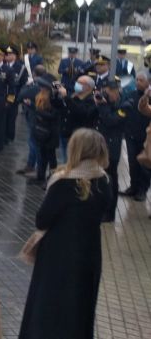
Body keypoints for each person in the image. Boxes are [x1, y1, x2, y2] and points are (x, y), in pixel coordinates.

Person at [18, 129, 111, 339]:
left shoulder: (63, 182)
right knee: (80, 308)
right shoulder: (104, 181)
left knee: (48, 308)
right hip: (89, 254)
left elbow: (42, 218)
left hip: (57, 255)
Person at [96, 78, 131, 222]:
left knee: (111, 179)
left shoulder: (124, 104)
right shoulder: (109, 102)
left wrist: (103, 106)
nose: (106, 95)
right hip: (101, 144)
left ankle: (110, 212)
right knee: (101, 178)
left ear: (115, 92)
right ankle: (102, 208)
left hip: (112, 147)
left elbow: (111, 121)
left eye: (108, 93)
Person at [120, 72, 150, 202]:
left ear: (148, 83)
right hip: (131, 135)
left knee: (144, 165)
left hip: (146, 138)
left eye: (141, 80)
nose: (138, 82)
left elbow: (145, 110)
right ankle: (133, 187)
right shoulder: (131, 95)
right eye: (137, 79)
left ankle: (142, 190)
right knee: (132, 163)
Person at [58, 74, 99, 164]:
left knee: (72, 161)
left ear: (88, 87)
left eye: (80, 83)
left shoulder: (91, 101)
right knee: (65, 158)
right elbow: (61, 108)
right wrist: (55, 95)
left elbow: (81, 112)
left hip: (78, 136)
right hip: (66, 133)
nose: (77, 84)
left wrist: (66, 97)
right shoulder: (74, 97)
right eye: (77, 82)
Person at [31, 76, 62, 184]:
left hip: (51, 132)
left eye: (42, 86)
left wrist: (39, 112)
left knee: (51, 156)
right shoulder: (39, 96)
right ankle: (40, 176)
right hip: (41, 130)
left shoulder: (55, 98)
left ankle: (52, 177)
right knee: (42, 155)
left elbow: (54, 115)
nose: (40, 88)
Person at [17, 65, 47, 176]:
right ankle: (31, 165)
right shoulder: (53, 82)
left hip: (35, 117)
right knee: (35, 143)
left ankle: (38, 169)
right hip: (46, 118)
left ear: (34, 74)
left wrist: (26, 85)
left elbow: (21, 96)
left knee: (34, 143)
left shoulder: (35, 85)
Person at [4, 46, 25, 143]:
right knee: (2, 116)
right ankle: (2, 134)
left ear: (15, 56)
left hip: (14, 96)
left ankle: (9, 136)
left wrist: (19, 97)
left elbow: (23, 84)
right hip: (2, 95)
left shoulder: (21, 67)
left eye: (10, 54)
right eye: (6, 54)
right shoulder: (3, 65)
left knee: (11, 117)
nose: (7, 56)